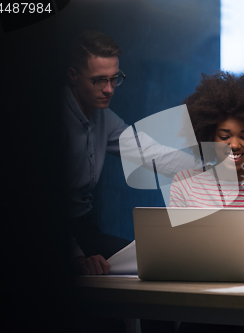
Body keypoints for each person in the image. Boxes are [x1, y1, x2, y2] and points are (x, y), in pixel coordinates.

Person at [63, 31, 197, 275]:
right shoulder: (52, 122)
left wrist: (212, 168)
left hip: (84, 226)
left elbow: (150, 153)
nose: (109, 89)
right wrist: (74, 255)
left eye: (115, 79)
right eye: (99, 80)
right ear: (73, 75)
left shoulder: (103, 117)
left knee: (151, 265)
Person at [169, 71, 244, 277]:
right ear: (208, 136)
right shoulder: (185, 183)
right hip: (193, 285)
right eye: (224, 136)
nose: (235, 145)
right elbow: (175, 250)